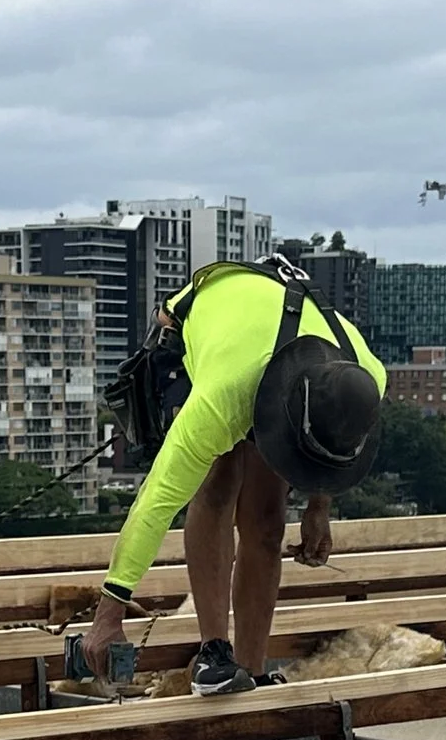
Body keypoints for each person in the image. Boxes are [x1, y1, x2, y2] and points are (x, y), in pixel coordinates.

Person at [81, 260, 387, 694]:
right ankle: (215, 653)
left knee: (267, 518)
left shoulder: (367, 377)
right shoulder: (224, 394)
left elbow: (331, 448)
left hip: (277, 337)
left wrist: (319, 507)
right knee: (218, 483)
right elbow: (157, 501)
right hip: (202, 330)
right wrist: (108, 613)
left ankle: (252, 667)